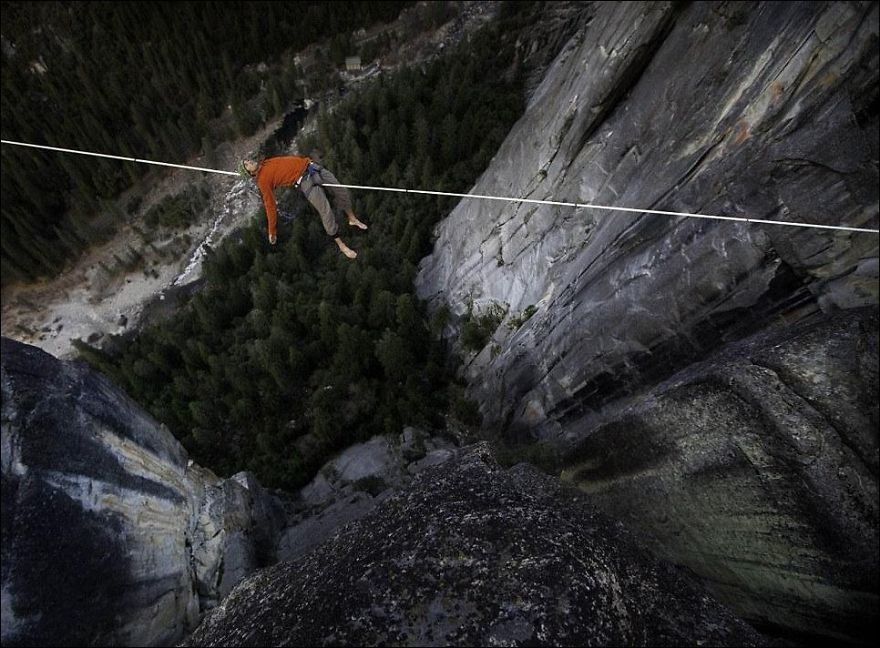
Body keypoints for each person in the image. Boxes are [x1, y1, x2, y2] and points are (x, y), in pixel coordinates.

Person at [238, 156, 367, 259]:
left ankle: (352, 218)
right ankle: (341, 245)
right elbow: (270, 205)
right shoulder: (262, 181)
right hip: (305, 182)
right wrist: (272, 231)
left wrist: (308, 161)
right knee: (325, 211)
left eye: (247, 160)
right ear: (250, 173)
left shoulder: (266, 162)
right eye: (246, 164)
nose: (249, 161)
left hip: (312, 167)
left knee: (342, 192)